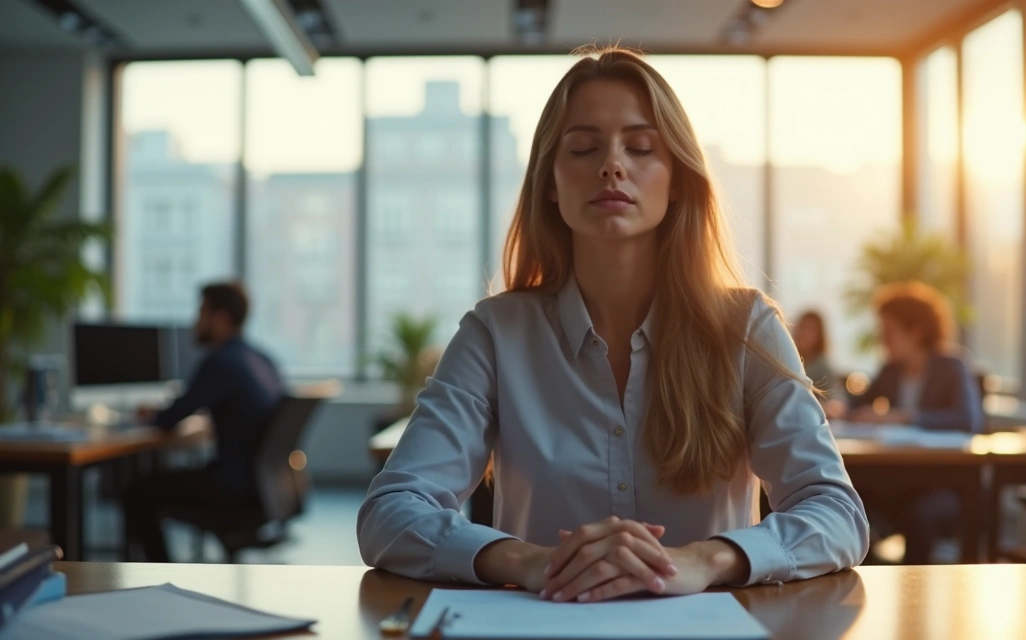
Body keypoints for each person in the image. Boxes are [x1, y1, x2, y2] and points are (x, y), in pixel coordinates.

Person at [358, 47, 868, 604]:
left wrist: (703, 560)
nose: (612, 165)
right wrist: (532, 561)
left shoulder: (746, 327)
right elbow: (390, 511)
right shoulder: (496, 333)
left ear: (677, 180)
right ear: (550, 183)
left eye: (641, 147)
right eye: (583, 148)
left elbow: (836, 512)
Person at [123, 282, 285, 562]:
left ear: (220, 318)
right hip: (267, 489)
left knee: (137, 492)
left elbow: (169, 419)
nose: (194, 322)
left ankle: (161, 572)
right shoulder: (263, 360)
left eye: (201, 312)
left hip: (234, 488)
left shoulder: (221, 361)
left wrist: (150, 415)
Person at [846, 280, 982, 564]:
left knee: (919, 516)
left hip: (942, 484)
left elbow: (967, 419)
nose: (882, 340)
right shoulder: (891, 370)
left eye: (889, 332)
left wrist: (906, 415)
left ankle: (912, 595)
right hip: (897, 481)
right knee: (851, 504)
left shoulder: (952, 366)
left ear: (916, 332)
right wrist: (840, 409)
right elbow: (858, 405)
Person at [792, 310, 843, 402]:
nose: (806, 333)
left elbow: (835, 396)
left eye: (812, 330)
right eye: (803, 327)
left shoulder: (822, 366)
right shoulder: (788, 358)